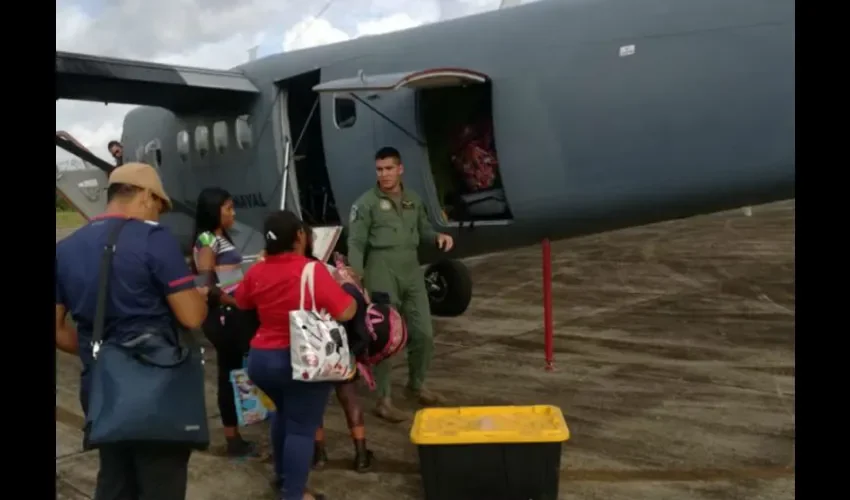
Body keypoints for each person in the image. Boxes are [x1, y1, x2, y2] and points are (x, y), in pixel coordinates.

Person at [55, 162, 208, 500]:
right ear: (143, 195)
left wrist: (99, 353)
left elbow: (57, 330)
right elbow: (192, 317)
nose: (158, 214)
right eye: (157, 204)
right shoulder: (155, 240)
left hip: (102, 388)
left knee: (115, 479)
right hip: (156, 387)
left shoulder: (65, 249)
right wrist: (203, 287)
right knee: (160, 483)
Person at [235, 210, 357, 500]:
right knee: (302, 429)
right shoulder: (311, 270)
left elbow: (242, 301)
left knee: (283, 413)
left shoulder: (257, 270)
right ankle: (294, 494)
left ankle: (282, 477)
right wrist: (348, 287)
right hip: (302, 360)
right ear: (300, 236)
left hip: (262, 361)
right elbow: (345, 311)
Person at [347, 146, 454, 422]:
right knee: (386, 336)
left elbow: (423, 229)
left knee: (424, 333)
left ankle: (416, 385)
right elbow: (356, 243)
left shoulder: (413, 200)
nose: (384, 174)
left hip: (411, 269)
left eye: (389, 168)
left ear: (400, 169)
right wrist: (356, 277)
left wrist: (437, 237)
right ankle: (384, 399)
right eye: (380, 169)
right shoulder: (365, 204)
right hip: (381, 270)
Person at [191, 187, 260, 458]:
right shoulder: (207, 239)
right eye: (228, 208)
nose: (233, 213)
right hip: (225, 316)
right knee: (229, 374)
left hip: (232, 312)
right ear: (213, 211)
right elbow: (204, 285)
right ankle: (233, 439)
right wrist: (236, 302)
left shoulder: (220, 237)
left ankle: (236, 434)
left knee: (231, 372)